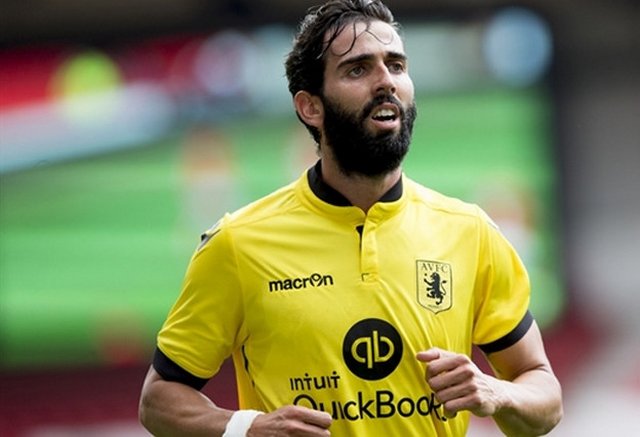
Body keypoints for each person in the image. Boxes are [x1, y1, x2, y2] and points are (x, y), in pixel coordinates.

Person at [138, 0, 563, 435]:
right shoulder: (237, 243)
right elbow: (159, 399)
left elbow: (542, 390)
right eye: (358, 69)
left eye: (396, 65)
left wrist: (498, 392)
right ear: (310, 107)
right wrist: (247, 428)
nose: (386, 81)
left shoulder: (470, 232)